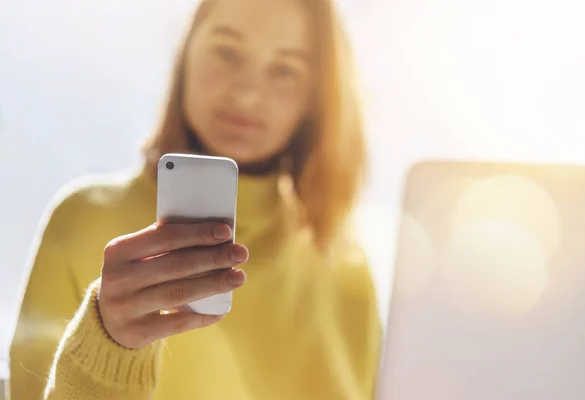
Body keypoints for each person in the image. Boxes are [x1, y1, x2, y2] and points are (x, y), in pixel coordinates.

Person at [9, 0, 381, 398]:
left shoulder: (348, 271)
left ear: (315, 97)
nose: (248, 93)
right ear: (186, 54)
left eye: (285, 69)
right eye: (226, 52)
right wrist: (107, 348)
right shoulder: (83, 221)